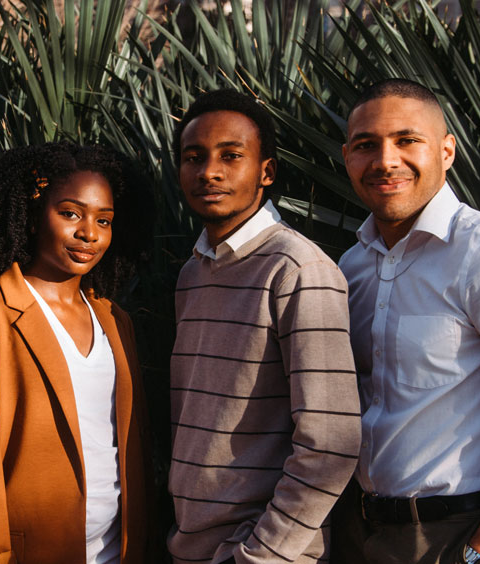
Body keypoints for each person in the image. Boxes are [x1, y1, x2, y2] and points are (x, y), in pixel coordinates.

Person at [334, 78, 480, 564]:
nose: (385, 160)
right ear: (347, 158)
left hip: (465, 536)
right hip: (359, 534)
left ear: (446, 151)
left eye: (407, 140)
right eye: (366, 145)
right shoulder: (350, 268)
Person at [0, 141, 153, 564]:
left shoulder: (114, 319)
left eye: (103, 220)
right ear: (33, 215)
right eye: (70, 213)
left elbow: (134, 446)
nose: (88, 233)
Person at [166, 89, 361, 564]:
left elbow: (331, 440)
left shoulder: (296, 268)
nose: (209, 171)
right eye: (194, 157)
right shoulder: (192, 272)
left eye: (231, 156)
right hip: (190, 545)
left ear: (266, 172)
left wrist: (261, 554)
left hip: (260, 552)